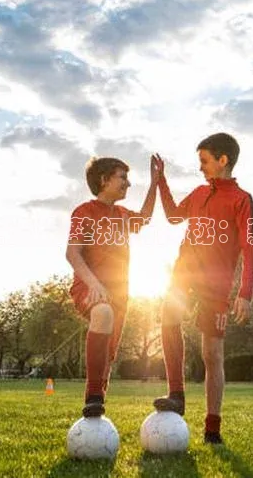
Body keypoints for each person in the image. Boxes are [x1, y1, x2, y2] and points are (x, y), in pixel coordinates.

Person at [152, 132, 253, 444]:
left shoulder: (242, 199)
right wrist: (161, 181)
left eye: (204, 161)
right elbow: (174, 216)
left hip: (217, 284)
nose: (200, 167)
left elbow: (250, 247)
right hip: (185, 272)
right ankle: (176, 394)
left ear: (223, 160)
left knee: (212, 354)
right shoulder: (199, 193)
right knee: (168, 314)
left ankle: (212, 428)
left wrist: (245, 293)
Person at [66, 155, 159, 418]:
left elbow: (145, 217)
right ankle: (93, 396)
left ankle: (96, 409)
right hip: (89, 287)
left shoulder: (122, 215)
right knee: (103, 312)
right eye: (123, 178)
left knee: (108, 354)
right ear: (104, 180)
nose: (128, 184)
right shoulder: (84, 212)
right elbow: (72, 253)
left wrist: (154, 183)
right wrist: (94, 284)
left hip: (120, 294)